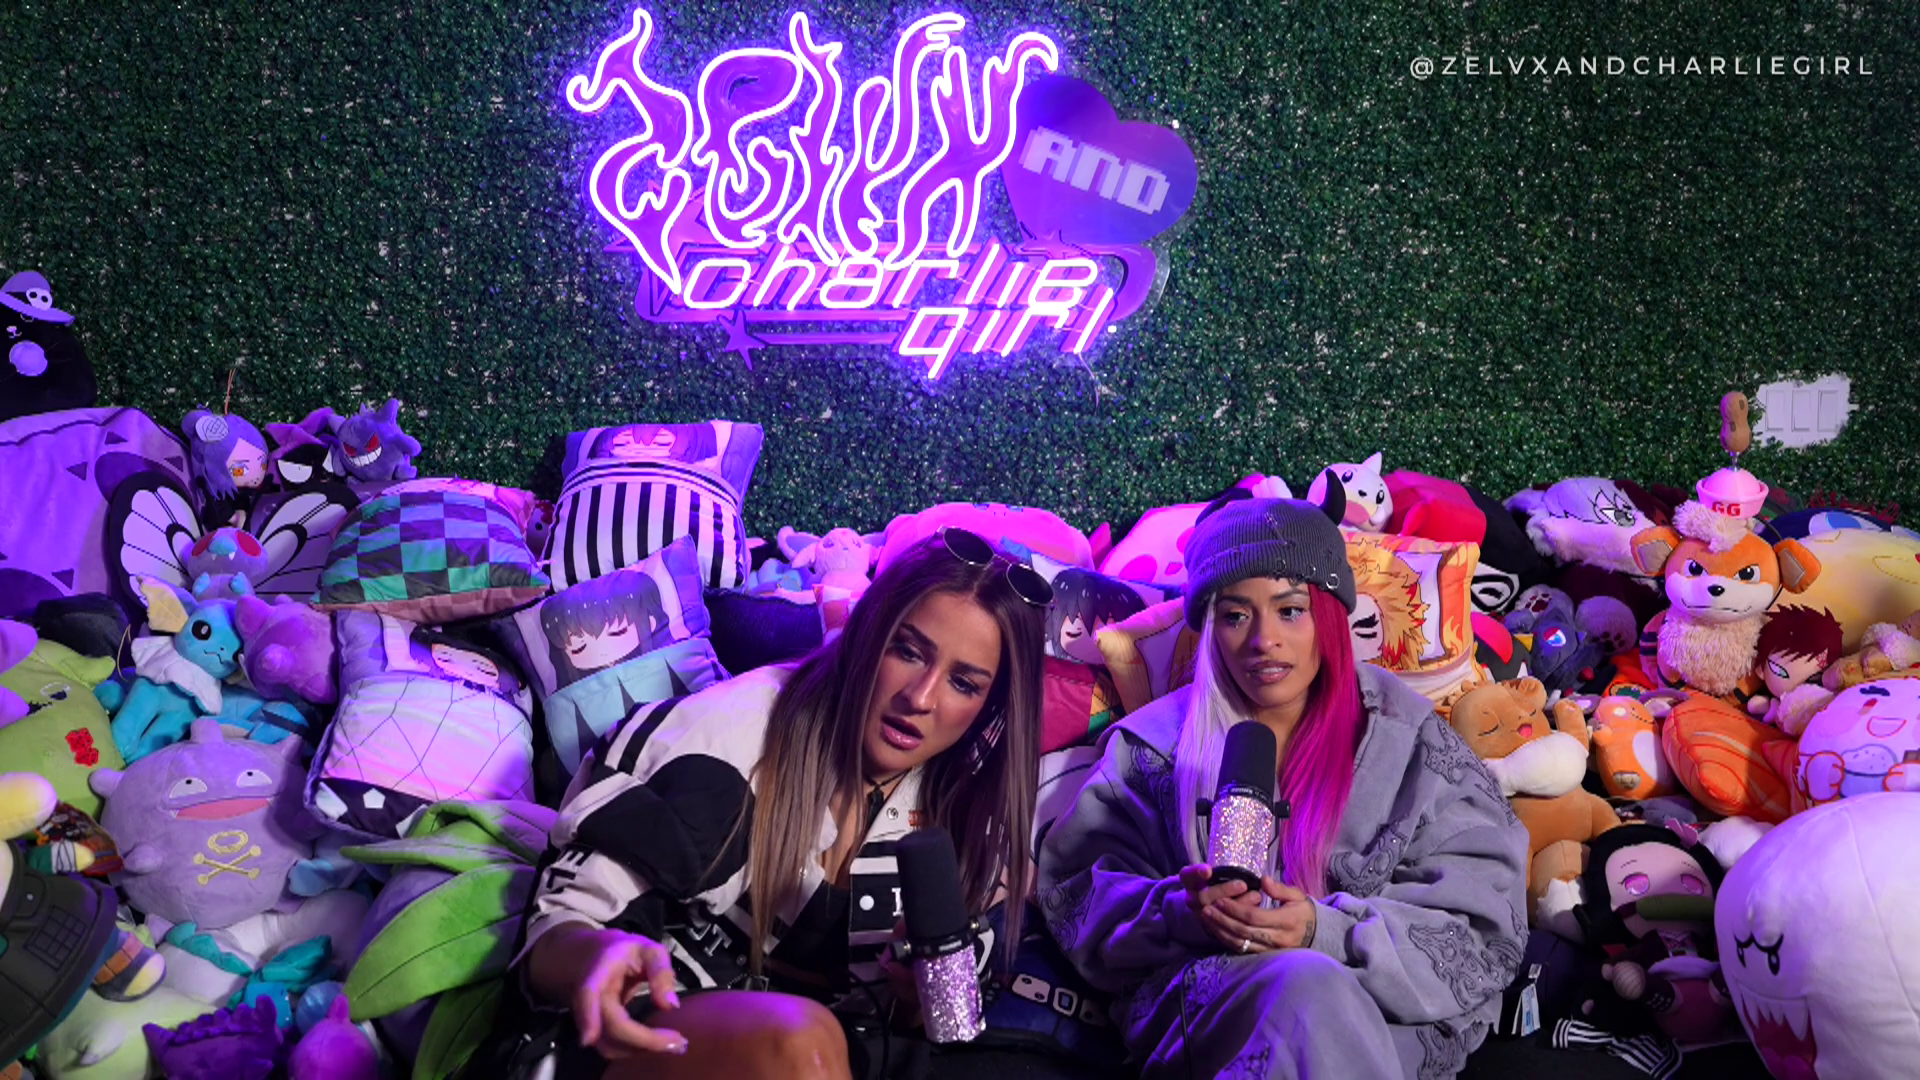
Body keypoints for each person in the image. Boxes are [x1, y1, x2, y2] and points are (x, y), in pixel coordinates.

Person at [480, 529, 1050, 1080]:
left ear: (991, 706)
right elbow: (557, 934)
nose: (920, 698)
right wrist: (594, 956)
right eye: (908, 651)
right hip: (643, 1031)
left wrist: (916, 1000)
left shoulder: (977, 812)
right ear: (867, 631)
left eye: (964, 684)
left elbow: (945, 1021)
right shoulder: (733, 739)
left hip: (849, 1051)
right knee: (801, 1044)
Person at [1036, 493, 1530, 1079]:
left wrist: (1324, 932)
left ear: (1329, 617)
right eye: (1236, 615)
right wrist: (1180, 913)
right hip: (1215, 1010)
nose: (1263, 640)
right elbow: (1078, 899)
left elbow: (1482, 927)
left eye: (1290, 610)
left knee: (1313, 987)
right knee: (1302, 989)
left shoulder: (1412, 742)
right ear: (1211, 627)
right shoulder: (1150, 750)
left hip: (1382, 1021)